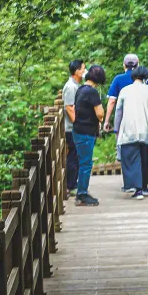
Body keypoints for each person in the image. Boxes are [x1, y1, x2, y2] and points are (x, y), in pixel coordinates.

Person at [114, 66, 148, 200]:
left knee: (131, 159)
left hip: (129, 129)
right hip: (145, 129)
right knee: (145, 158)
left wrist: (116, 129)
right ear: (145, 77)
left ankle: (137, 190)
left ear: (132, 77)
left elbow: (118, 111)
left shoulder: (125, 90)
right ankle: (144, 186)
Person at [103, 54, 148, 163]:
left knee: (125, 149)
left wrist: (106, 121)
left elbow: (112, 101)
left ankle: (127, 167)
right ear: (138, 65)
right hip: (143, 119)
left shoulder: (118, 79)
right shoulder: (146, 80)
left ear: (124, 65)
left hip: (125, 121)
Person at [72, 65, 106, 206]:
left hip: (78, 130)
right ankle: (82, 195)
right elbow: (100, 113)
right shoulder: (92, 92)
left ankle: (82, 191)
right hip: (86, 132)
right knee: (86, 164)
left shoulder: (80, 89)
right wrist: (100, 119)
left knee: (83, 163)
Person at [62, 59, 85, 198]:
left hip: (74, 127)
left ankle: (72, 183)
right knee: (73, 156)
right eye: (83, 68)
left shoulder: (76, 85)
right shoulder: (71, 87)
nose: (84, 71)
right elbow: (69, 108)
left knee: (75, 156)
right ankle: (70, 185)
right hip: (71, 128)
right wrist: (78, 124)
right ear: (76, 71)